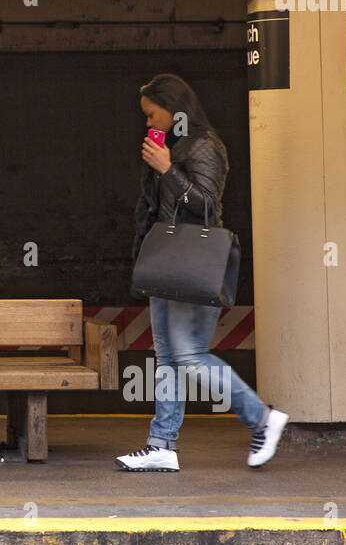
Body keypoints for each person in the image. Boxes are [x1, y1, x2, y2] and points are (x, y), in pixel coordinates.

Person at [117, 73, 289, 472]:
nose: (147, 122)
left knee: (190, 356)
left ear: (173, 106)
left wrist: (166, 170)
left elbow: (208, 206)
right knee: (168, 359)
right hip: (169, 264)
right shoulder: (178, 146)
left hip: (192, 264)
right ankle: (161, 444)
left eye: (151, 113)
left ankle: (262, 418)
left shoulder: (205, 145)